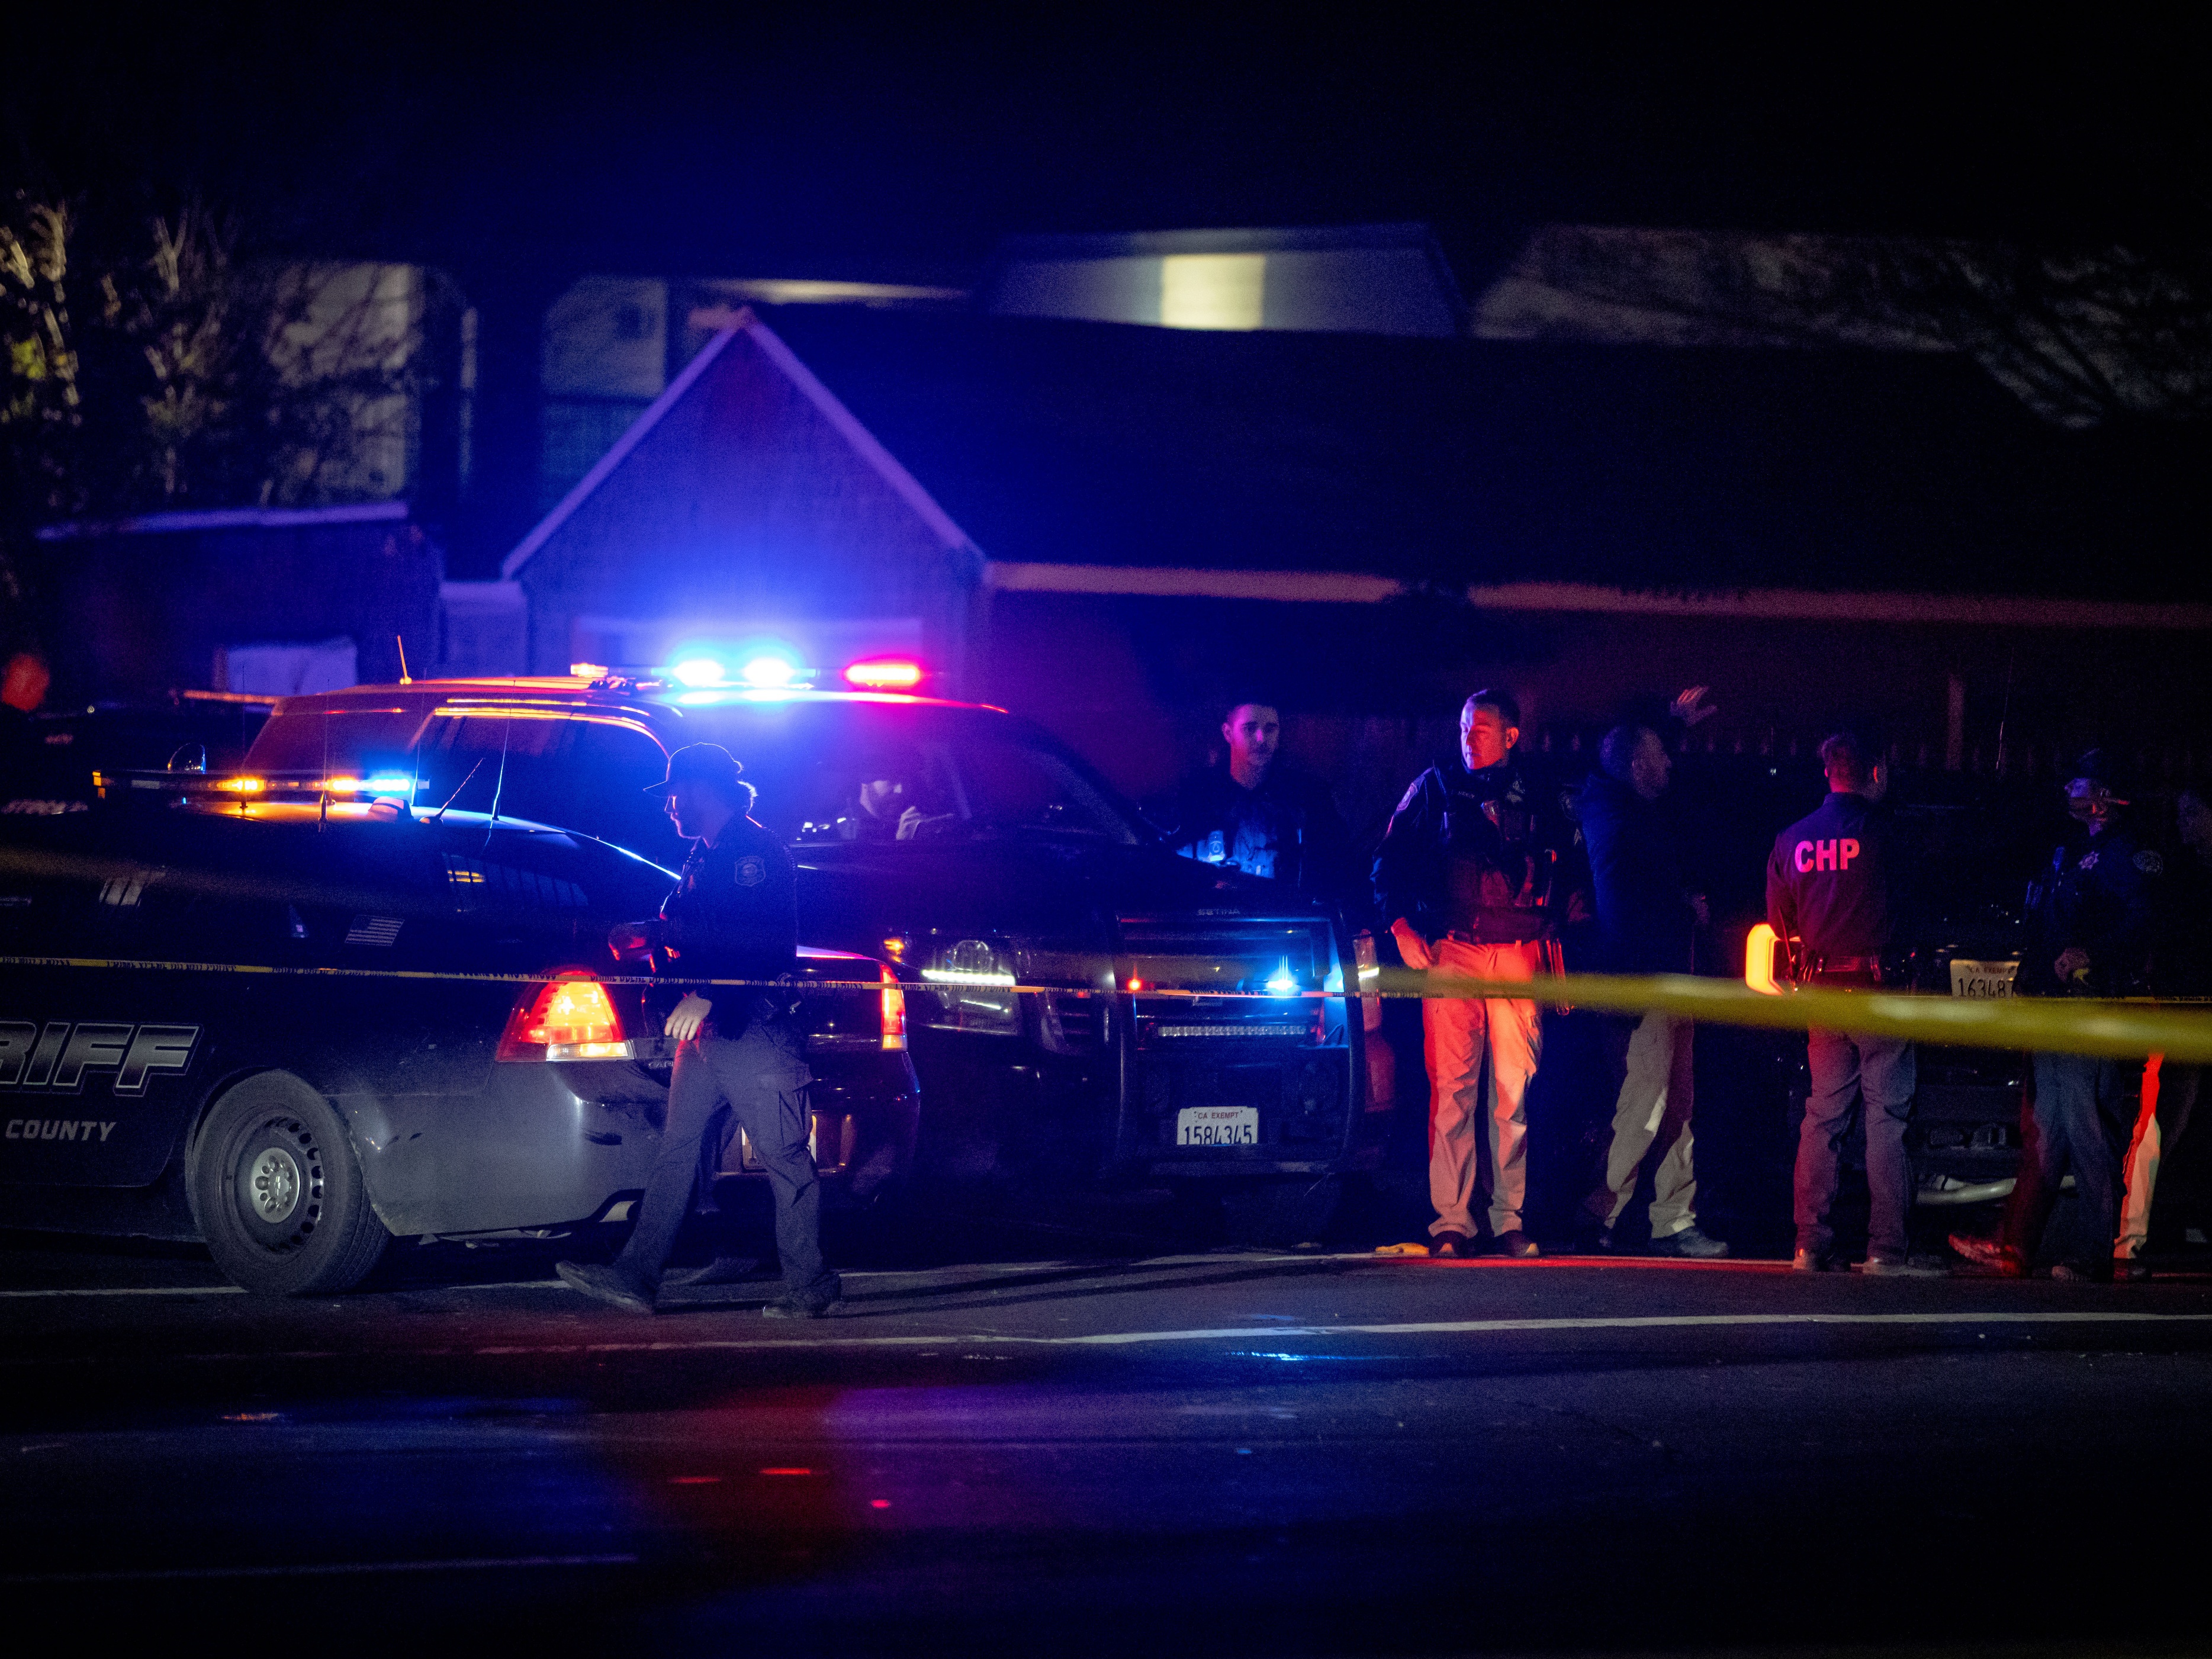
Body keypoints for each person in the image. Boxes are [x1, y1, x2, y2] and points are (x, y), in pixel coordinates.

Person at [557, 743, 840, 1318]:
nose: (668, 808)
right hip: (709, 1034)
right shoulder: (708, 858)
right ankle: (636, 1276)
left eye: (674, 795)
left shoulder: (753, 854)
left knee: (785, 1157)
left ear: (704, 790)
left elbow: (762, 943)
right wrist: (647, 933)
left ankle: (810, 1286)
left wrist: (711, 994)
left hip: (752, 1029)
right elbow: (699, 924)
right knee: (678, 1151)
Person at [1374, 689, 1583, 1258]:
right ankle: (1451, 1221)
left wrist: (1559, 944)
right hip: (1455, 951)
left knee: (1512, 1093)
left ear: (1511, 735)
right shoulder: (1435, 785)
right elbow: (1387, 861)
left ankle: (1508, 1217)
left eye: (1482, 728)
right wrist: (1400, 929)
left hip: (1519, 951)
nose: (1469, 738)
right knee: (1452, 1092)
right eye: (1464, 726)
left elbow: (1575, 876)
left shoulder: (1544, 790)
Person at [1952, 753, 2159, 1281]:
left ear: (2106, 794)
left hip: (2091, 1006)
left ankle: (2097, 1253)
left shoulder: (2129, 855)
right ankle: (2016, 1244)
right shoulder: (2069, 850)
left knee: (2090, 1129)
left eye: (2082, 781)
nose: (2069, 788)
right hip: (2051, 1003)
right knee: (2046, 1129)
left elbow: (2143, 924)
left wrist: (2096, 956)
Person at [1768, 732, 1939, 1274]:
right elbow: (1917, 908)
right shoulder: (1889, 834)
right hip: (1881, 992)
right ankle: (1887, 1250)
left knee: (1823, 1117)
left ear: (1828, 775)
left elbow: (1781, 923)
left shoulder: (1792, 839)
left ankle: (1809, 1245)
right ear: (1878, 773)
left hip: (1823, 995)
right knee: (1886, 1119)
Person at [1576, 721, 1726, 1257]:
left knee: (1678, 1105)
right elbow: (1626, 901)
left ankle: (1671, 1220)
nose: (1671, 764)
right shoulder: (1612, 814)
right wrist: (1684, 907)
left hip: (1669, 978)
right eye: (1661, 753)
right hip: (1644, 982)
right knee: (1647, 1103)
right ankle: (1602, 1210)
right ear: (1637, 766)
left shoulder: (1630, 814)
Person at [2114, 786, 2212, 1275]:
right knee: (2158, 1124)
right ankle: (2131, 1239)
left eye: (2193, 812)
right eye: (2180, 813)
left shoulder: (2188, 876)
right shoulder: (2180, 874)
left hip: (2190, 1013)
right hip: (2182, 1016)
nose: (2183, 823)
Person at [1163, 697, 1351, 908]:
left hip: (1286, 924)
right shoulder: (1196, 794)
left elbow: (1336, 861)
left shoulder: (1308, 795)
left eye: (1270, 729)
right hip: (1211, 920)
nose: (1261, 738)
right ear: (1227, 733)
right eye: (1249, 729)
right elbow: (1170, 863)